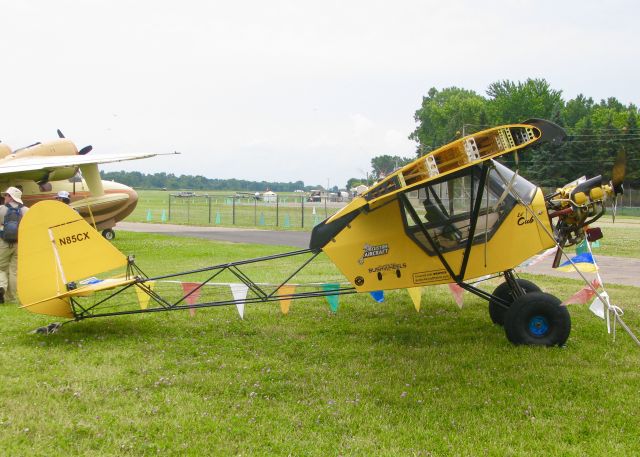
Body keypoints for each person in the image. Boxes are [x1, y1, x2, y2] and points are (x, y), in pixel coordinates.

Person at [0, 187, 29, 304]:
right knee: (14, 271)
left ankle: (1, 286)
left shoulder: (1, 209)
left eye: (6, 195)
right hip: (19, 243)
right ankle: (10, 298)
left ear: (11, 196)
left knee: (1, 268)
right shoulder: (26, 210)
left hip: (3, 243)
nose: (4, 197)